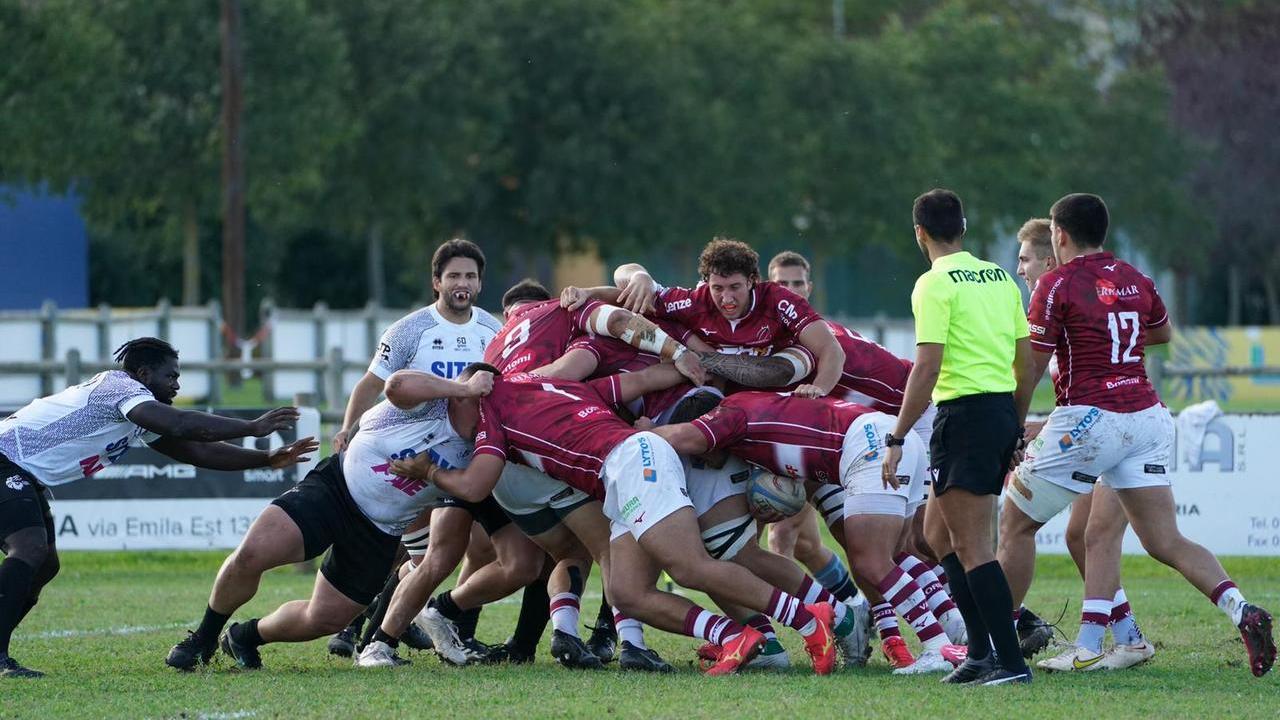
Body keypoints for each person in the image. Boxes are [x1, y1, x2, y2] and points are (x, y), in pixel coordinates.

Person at [395, 370, 841, 676]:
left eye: (453, 415)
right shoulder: (547, 381)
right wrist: (682, 360)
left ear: (467, 394)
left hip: (631, 462)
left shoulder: (491, 415)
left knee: (689, 566)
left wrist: (428, 472)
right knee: (626, 591)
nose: (457, 431)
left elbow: (473, 486)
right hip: (623, 472)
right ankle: (733, 637)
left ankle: (809, 620)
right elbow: (638, 381)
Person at [998, 193, 1276, 677]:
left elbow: (1030, 371)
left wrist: (1010, 429)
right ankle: (1239, 610)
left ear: (1059, 237)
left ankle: (1004, 643)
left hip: (1090, 420)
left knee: (1014, 524)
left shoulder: (1056, 283)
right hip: (1146, 416)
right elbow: (1164, 334)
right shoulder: (1135, 278)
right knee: (1160, 538)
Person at [0, 337, 314, 678]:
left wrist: (266, 459)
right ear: (145, 373)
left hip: (21, 471)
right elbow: (180, 424)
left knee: (44, 563)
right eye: (171, 376)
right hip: (6, 459)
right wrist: (252, 428)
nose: (177, 384)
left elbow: (196, 451)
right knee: (29, 548)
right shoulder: (118, 387)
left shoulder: (137, 411)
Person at [164, 364, 493, 672]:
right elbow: (397, 384)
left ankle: (246, 636)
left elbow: (474, 489)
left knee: (325, 619)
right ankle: (204, 638)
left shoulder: (483, 444)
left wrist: (430, 472)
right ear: (461, 394)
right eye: (478, 400)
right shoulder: (431, 404)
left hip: (380, 531)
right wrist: (460, 387)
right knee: (253, 553)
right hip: (335, 489)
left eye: (489, 404)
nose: (483, 412)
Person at [651, 391, 962, 675]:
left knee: (872, 561)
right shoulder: (760, 414)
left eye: (701, 454)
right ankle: (960, 632)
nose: (702, 460)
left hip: (869, 444)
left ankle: (935, 647)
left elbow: (683, 435)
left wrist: (631, 435)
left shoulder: (728, 415)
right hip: (889, 436)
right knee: (896, 552)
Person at [881, 189, 1038, 685]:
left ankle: (1009, 663)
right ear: (963, 229)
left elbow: (926, 365)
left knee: (973, 547)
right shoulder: (999, 277)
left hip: (964, 416)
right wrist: (1013, 423)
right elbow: (1026, 363)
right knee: (936, 533)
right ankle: (978, 653)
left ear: (919, 233)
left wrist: (897, 435)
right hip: (994, 411)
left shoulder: (933, 283)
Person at [1012, 217, 1138, 662]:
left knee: (1093, 534)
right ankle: (1129, 636)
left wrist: (1019, 423)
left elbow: (1095, 390)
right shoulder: (1065, 303)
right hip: (1107, 427)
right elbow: (1081, 391)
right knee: (1077, 535)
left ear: (1050, 258)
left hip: (1118, 430)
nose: (1019, 268)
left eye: (1025, 258)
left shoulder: (1063, 301)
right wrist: (1045, 427)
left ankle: (1092, 644)